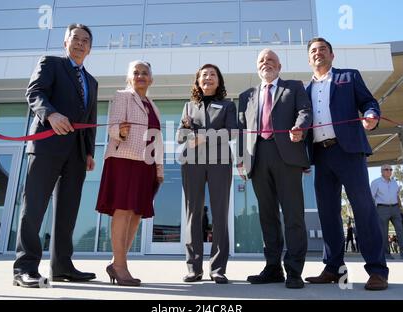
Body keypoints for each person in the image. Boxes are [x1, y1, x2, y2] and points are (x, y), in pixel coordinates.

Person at [13, 24, 98, 288]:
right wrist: (50, 113)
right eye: (76, 39)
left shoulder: (92, 81)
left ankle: (62, 266)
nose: (80, 44)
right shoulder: (50, 63)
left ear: (90, 48)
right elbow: (34, 93)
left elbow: (91, 118)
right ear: (65, 43)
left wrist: (89, 152)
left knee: (68, 212)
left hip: (76, 154)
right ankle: (24, 267)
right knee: (35, 207)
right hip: (47, 145)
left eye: (86, 41)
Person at [304, 37, 389, 291]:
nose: (318, 53)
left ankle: (377, 270)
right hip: (321, 154)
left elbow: (368, 102)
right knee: (328, 214)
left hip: (349, 151)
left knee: (363, 210)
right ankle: (333, 269)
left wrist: (372, 115)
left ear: (332, 55)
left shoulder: (349, 77)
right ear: (309, 59)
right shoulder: (305, 90)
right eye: (313, 51)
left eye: (322, 50)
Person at [237, 49, 312, 289]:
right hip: (257, 157)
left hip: (287, 154)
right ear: (257, 67)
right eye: (261, 60)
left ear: (279, 66)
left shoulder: (294, 87)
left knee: (293, 215)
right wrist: (241, 159)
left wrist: (300, 127)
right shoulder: (246, 95)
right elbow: (241, 131)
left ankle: (294, 270)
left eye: (271, 60)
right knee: (267, 216)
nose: (266, 63)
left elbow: (305, 111)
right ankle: (272, 268)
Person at [96, 60, 164, 286]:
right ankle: (120, 266)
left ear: (151, 79)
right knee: (123, 210)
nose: (140, 76)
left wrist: (158, 168)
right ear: (129, 77)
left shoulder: (153, 106)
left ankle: (117, 262)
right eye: (136, 73)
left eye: (145, 73)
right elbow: (112, 127)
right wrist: (120, 131)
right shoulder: (123, 96)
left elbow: (157, 138)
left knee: (136, 214)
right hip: (124, 159)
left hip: (145, 164)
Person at [177, 63, 237, 284]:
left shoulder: (228, 105)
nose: (208, 78)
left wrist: (205, 137)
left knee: (220, 213)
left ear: (218, 80)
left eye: (213, 75)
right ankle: (194, 268)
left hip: (219, 162)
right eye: (204, 75)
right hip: (192, 162)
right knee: (193, 213)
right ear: (198, 81)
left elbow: (232, 131)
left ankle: (218, 268)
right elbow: (180, 136)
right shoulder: (188, 106)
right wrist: (186, 133)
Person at [370, 165, 403, 259]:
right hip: (382, 209)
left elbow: (397, 196)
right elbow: (371, 197)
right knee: (383, 232)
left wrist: (400, 208)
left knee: (400, 231)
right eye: (386, 169)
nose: (389, 171)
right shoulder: (376, 182)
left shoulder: (394, 183)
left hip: (395, 208)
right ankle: (386, 254)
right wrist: (373, 211)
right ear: (381, 171)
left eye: (390, 169)